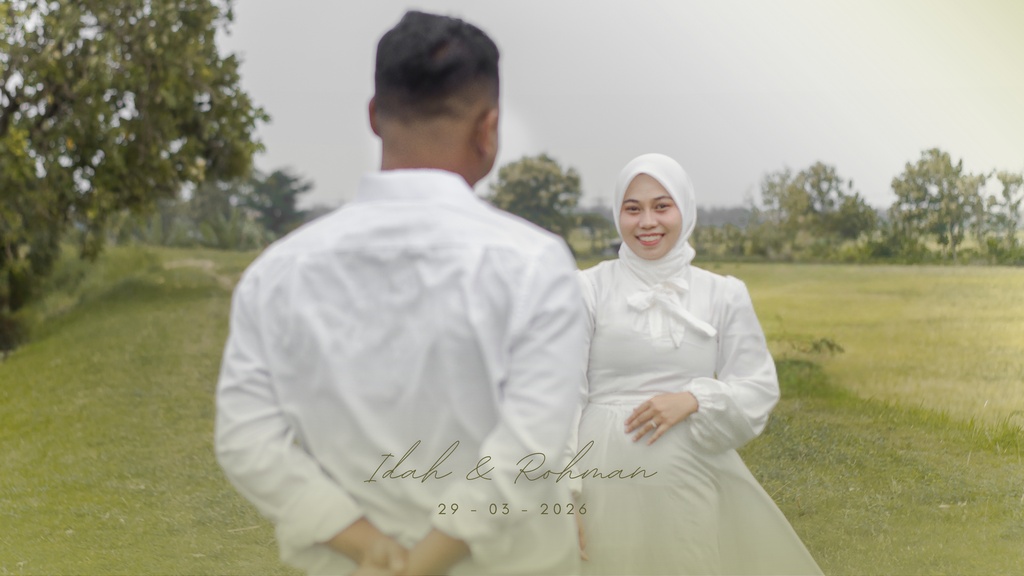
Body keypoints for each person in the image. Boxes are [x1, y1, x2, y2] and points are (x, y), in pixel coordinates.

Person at [215, 11, 586, 575]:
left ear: (374, 116)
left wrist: (368, 546)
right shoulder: (534, 263)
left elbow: (247, 439)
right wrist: (427, 558)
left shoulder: (278, 273)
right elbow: (531, 443)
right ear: (488, 128)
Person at [575, 153, 822, 575]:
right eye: (633, 209)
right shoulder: (588, 288)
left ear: (685, 209)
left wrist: (694, 399)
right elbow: (561, 394)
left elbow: (757, 386)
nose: (647, 222)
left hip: (687, 476)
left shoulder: (723, 294)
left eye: (661, 206)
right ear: (618, 214)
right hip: (600, 477)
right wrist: (562, 497)